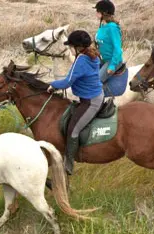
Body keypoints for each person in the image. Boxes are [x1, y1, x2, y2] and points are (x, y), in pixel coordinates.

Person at [47, 30, 104, 175]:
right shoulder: (93, 55)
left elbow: (68, 81)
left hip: (91, 101)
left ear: (78, 47)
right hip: (92, 96)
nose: (70, 49)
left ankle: (69, 164)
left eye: (71, 46)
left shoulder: (81, 60)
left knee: (73, 129)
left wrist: (53, 84)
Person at [94, 0, 124, 83]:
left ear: (104, 13)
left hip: (112, 60)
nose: (96, 12)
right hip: (102, 60)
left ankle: (100, 96)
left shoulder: (112, 28)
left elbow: (117, 48)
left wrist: (112, 65)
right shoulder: (102, 26)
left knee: (96, 81)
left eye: (97, 11)